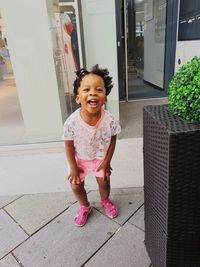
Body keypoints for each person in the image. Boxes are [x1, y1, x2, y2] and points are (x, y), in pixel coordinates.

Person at [62, 65, 121, 226]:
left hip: (100, 158)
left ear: (105, 98)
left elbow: (113, 140)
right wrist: (73, 167)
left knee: (104, 181)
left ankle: (105, 200)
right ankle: (84, 206)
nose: (93, 93)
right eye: (86, 89)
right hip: (79, 159)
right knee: (75, 185)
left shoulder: (109, 120)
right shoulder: (72, 122)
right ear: (77, 98)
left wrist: (107, 162)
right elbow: (68, 146)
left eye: (99, 89)